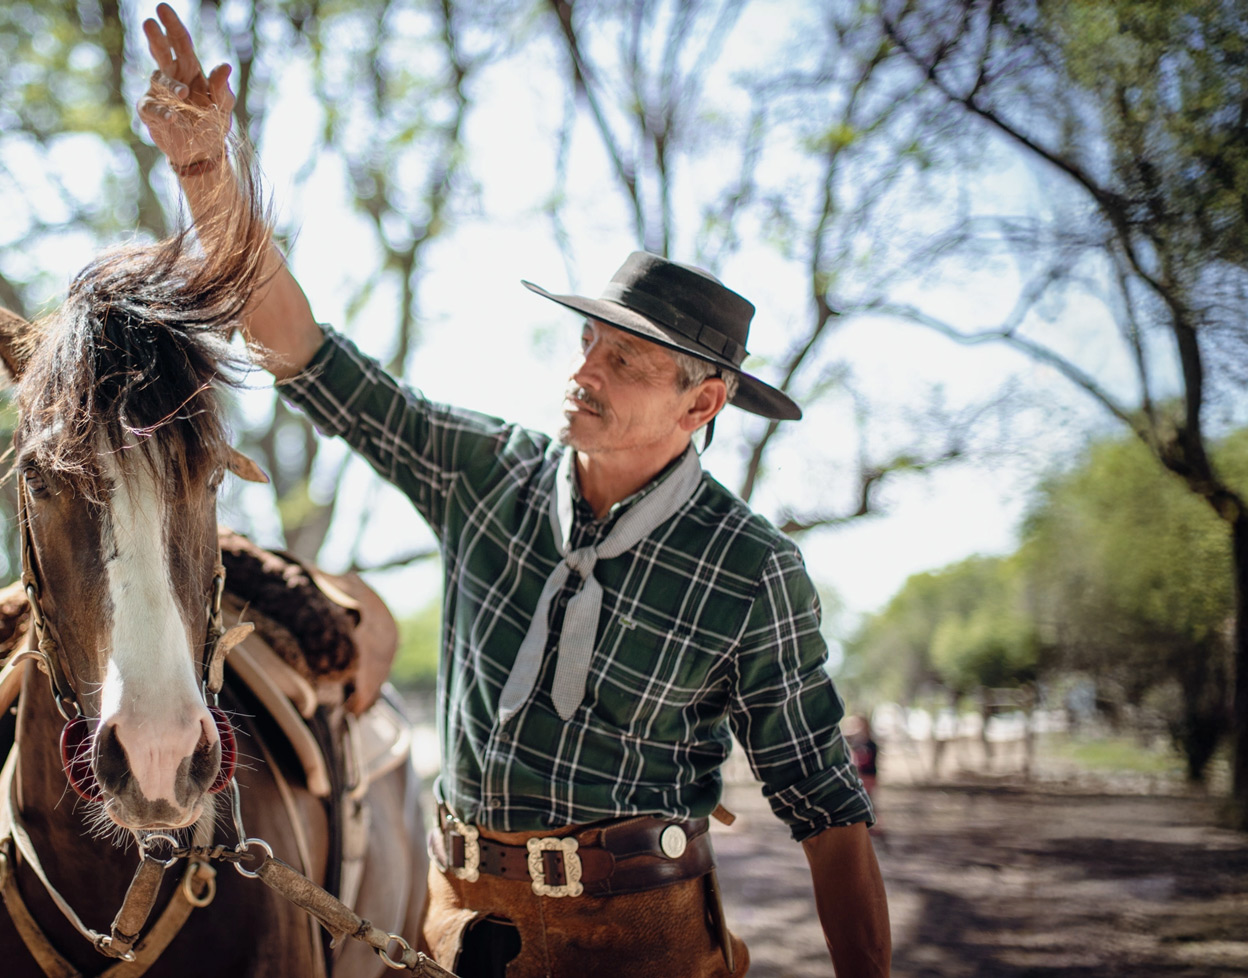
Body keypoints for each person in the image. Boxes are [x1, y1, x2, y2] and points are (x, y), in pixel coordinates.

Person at [134, 6, 891, 976]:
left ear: (702, 403)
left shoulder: (751, 569)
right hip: (460, 934)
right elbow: (302, 352)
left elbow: (828, 814)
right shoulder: (485, 472)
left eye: (623, 360)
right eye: (588, 340)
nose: (585, 370)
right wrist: (206, 172)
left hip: (644, 943)